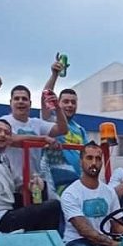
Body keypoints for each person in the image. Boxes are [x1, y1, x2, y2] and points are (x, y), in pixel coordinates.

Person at [0, 76, 59, 233]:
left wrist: (33, 185)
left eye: (7, 132)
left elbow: (10, 188)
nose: (2, 135)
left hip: (7, 212)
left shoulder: (4, 159)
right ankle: (44, 244)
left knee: (39, 202)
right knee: (53, 207)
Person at [0, 80, 68, 198]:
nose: (20, 101)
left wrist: (57, 107)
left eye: (24, 99)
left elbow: (63, 129)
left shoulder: (36, 123)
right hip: (11, 186)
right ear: (10, 103)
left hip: (35, 184)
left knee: (51, 206)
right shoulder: (4, 121)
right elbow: (12, 139)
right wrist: (43, 138)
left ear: (30, 103)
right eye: (17, 99)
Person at [38, 59, 89, 197]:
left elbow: (87, 156)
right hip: (56, 183)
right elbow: (45, 97)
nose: (70, 105)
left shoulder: (80, 129)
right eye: (65, 101)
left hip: (78, 183)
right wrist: (54, 75)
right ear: (58, 104)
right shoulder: (51, 121)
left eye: (73, 102)